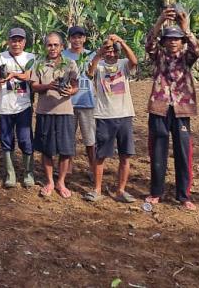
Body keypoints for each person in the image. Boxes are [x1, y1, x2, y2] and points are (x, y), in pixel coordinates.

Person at [144, 7, 199, 210]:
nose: (173, 42)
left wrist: (186, 28)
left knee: (183, 152)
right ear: (164, 41)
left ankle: (184, 196)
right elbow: (149, 44)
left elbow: (197, 50)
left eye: (177, 39)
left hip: (181, 109)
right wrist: (160, 21)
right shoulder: (159, 56)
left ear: (182, 41)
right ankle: (156, 192)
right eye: (169, 39)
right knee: (157, 151)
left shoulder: (186, 57)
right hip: (159, 108)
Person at [84, 34, 138, 203]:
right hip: (104, 115)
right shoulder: (98, 65)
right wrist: (99, 53)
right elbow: (90, 72)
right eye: (108, 49)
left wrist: (121, 42)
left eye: (114, 50)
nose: (111, 53)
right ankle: (97, 189)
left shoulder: (123, 64)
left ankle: (121, 190)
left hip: (124, 114)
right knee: (100, 155)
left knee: (125, 155)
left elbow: (134, 61)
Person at [31, 32, 79, 198]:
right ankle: (50, 181)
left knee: (66, 149)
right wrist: (48, 86)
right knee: (46, 149)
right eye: (49, 45)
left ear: (61, 47)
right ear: (45, 47)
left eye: (55, 45)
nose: (52, 48)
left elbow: (75, 85)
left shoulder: (70, 63)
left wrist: (71, 91)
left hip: (65, 111)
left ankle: (61, 181)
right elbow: (34, 86)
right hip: (45, 111)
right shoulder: (39, 64)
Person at [0, 28, 36, 188]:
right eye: (13, 40)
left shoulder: (31, 57)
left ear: (24, 42)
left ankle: (28, 173)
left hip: (23, 106)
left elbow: (29, 75)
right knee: (6, 140)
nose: (16, 43)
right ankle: (10, 174)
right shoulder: (0, 57)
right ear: (8, 41)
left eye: (19, 40)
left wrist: (13, 75)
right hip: (5, 106)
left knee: (25, 139)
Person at [62, 25, 97, 176]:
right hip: (67, 103)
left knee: (90, 140)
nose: (77, 40)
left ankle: (94, 169)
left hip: (87, 103)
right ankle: (68, 169)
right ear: (69, 39)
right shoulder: (63, 55)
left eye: (80, 37)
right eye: (74, 37)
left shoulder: (92, 55)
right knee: (68, 138)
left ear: (84, 38)